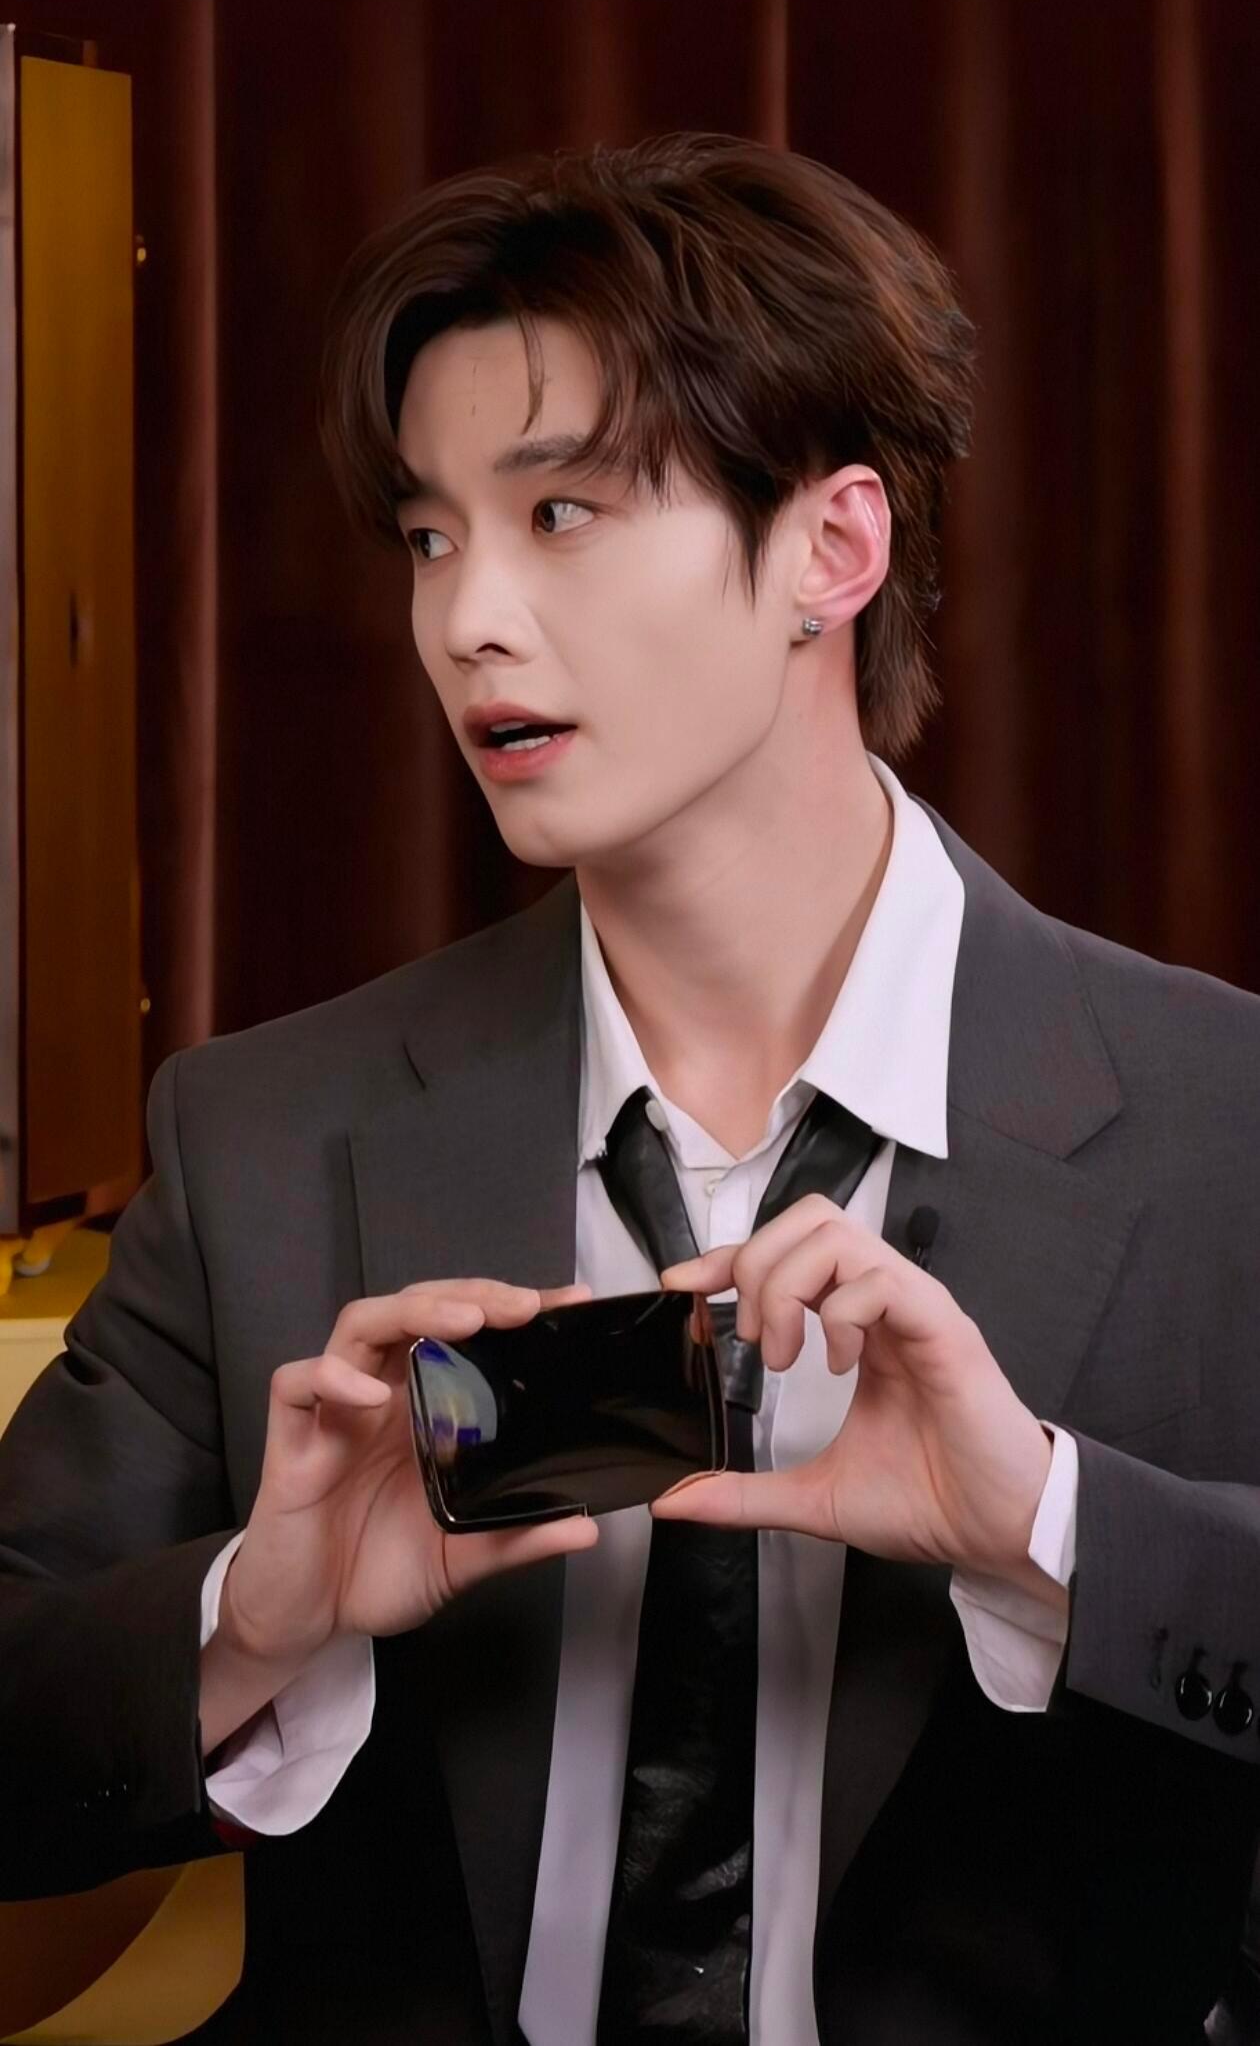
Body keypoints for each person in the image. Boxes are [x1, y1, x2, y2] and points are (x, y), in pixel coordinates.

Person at [2, 131, 1259, 2046]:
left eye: (563, 511)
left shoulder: (1223, 1118)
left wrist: (1056, 1533)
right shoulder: (263, 1131)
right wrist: (257, 1617)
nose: (466, 620)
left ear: (832, 550)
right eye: (430, 536)